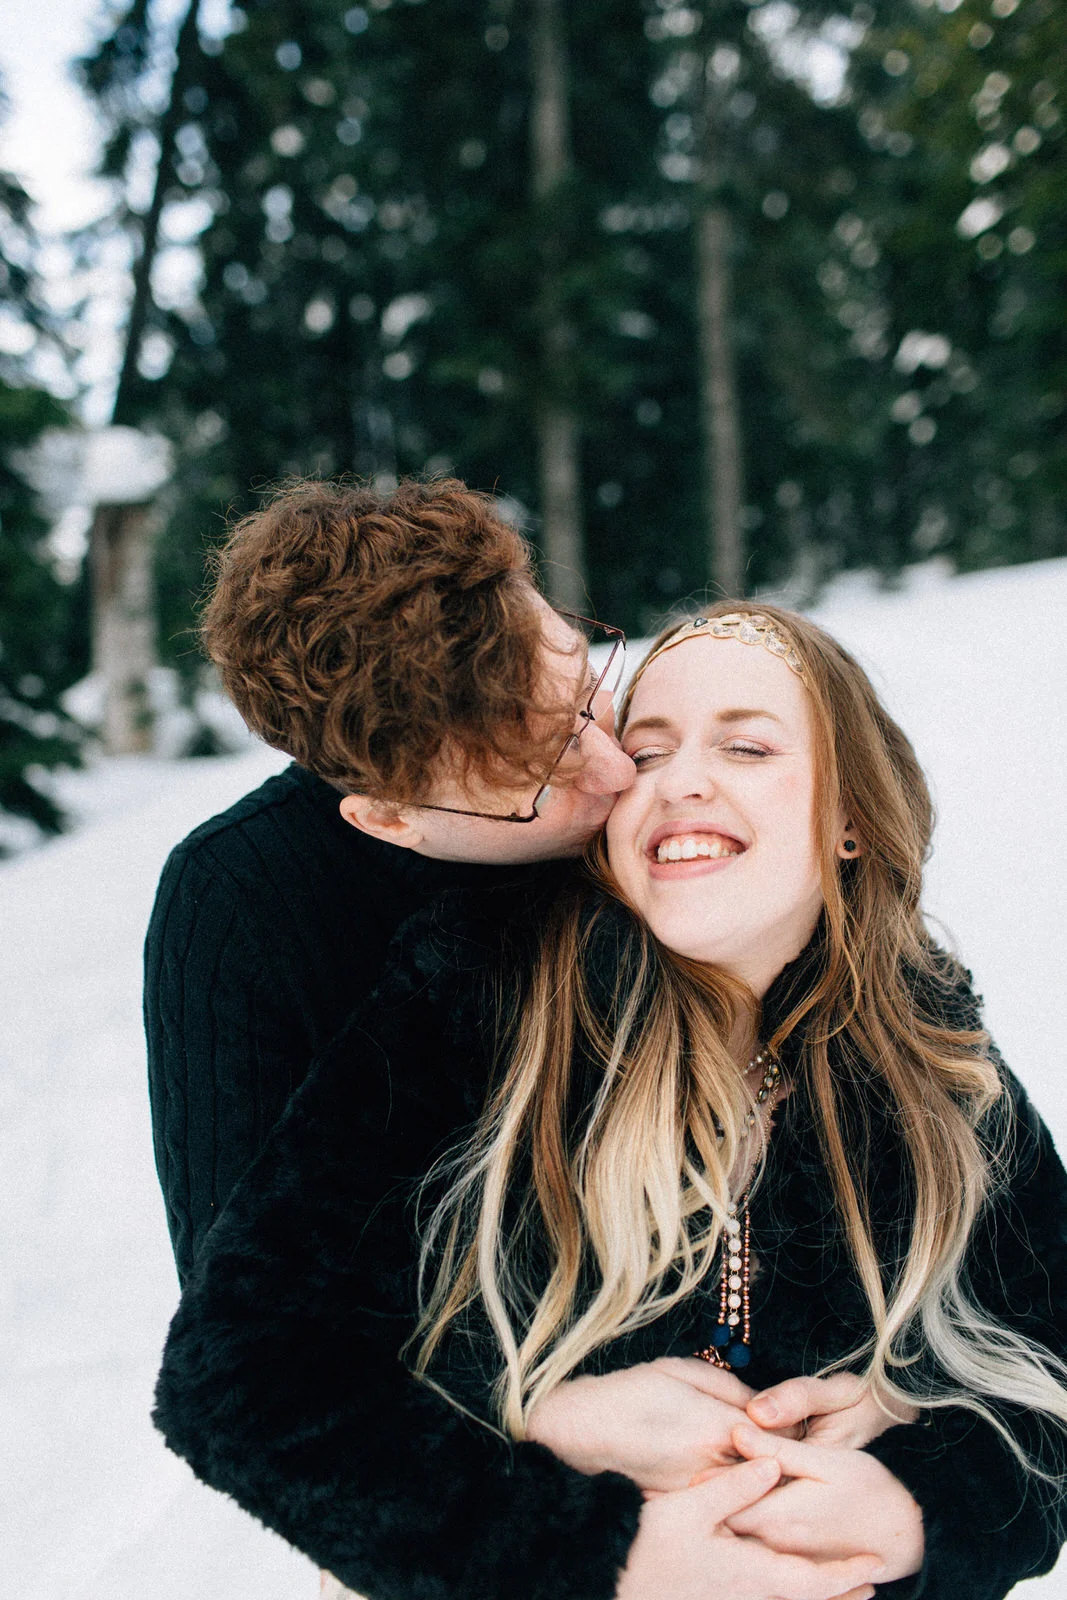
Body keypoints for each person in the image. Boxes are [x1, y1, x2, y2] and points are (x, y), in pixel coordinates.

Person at [152, 601, 1067, 1600]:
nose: (680, 779)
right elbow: (241, 1374)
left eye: (747, 745)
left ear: (849, 817)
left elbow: (1045, 1370)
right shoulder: (480, 1008)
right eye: (647, 747)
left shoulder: (928, 1061)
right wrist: (587, 1535)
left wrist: (915, 1509)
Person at [144, 475, 635, 1287]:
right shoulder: (239, 906)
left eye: (585, 687)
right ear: (388, 819)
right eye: (548, 765)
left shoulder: (657, 760)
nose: (619, 771)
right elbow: (246, 1317)